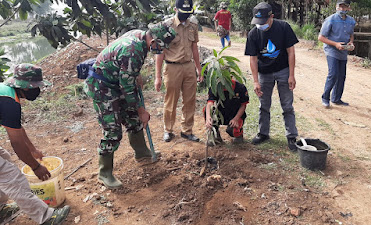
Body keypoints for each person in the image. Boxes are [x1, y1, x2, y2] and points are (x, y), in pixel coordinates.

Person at [84, 23, 176, 189]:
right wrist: (141, 110)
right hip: (102, 86)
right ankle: (104, 173)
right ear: (154, 40)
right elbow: (126, 87)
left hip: (116, 81)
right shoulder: (133, 50)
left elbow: (126, 69)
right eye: (161, 47)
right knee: (112, 130)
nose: (161, 51)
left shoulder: (140, 35)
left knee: (133, 119)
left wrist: (135, 74)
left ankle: (141, 153)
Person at [0, 64, 70, 224]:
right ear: (24, 87)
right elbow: (16, 143)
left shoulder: (6, 93)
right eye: (35, 87)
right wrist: (36, 167)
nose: (37, 91)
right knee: (12, 177)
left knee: (3, 158)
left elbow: (17, 129)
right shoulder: (9, 102)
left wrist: (32, 150)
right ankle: (47, 218)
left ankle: (0, 209)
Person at [244, 2, 299, 151]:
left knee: (287, 105)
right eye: (257, 22)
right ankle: (263, 133)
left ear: (271, 17)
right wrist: (256, 81)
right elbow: (253, 59)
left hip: (283, 70)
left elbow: (291, 52)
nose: (260, 25)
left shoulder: (283, 27)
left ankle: (292, 136)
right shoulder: (253, 34)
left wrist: (291, 75)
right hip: (264, 73)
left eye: (262, 22)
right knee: (264, 105)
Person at [155, 0, 203, 143]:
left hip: (189, 67)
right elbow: (160, 52)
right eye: (182, 13)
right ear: (175, 9)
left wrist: (199, 69)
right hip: (172, 67)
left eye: (188, 14)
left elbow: (195, 49)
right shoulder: (166, 26)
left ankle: (187, 130)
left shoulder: (193, 25)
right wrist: (157, 76)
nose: (185, 17)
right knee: (171, 100)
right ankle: (168, 130)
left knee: (190, 100)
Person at [318, 0, 356, 108]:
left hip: (343, 51)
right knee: (333, 74)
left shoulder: (351, 21)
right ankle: (325, 98)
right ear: (336, 7)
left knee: (341, 76)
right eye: (341, 6)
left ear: (349, 8)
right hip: (331, 50)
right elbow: (321, 37)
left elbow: (351, 34)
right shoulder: (330, 20)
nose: (343, 9)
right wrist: (335, 44)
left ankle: (336, 98)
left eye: (345, 7)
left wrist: (351, 43)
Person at [204, 79, 249, 145]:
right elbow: (210, 103)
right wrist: (208, 117)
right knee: (207, 111)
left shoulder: (239, 87)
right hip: (221, 113)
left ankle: (238, 134)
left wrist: (236, 119)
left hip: (235, 114)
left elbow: (243, 105)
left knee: (232, 131)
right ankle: (215, 136)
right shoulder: (215, 86)